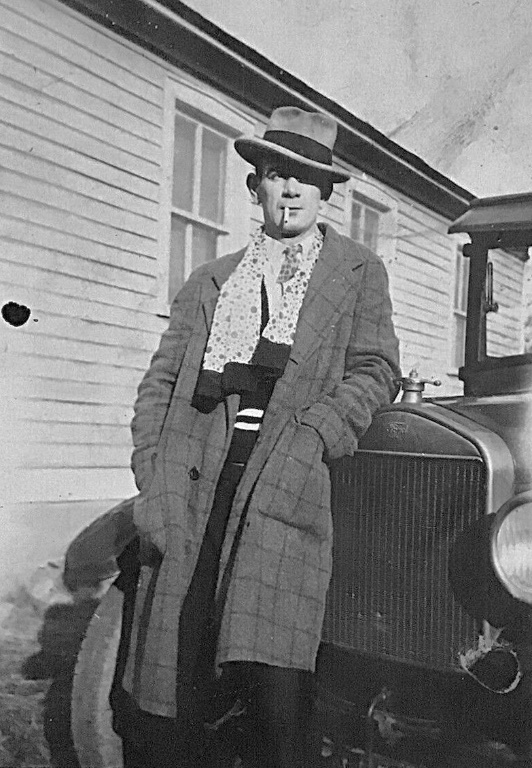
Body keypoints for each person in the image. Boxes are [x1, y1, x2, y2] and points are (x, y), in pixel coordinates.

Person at [110, 106, 401, 768]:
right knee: (177, 674)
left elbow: (375, 369)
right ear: (256, 186)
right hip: (194, 485)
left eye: (306, 178)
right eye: (276, 175)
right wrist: (152, 472)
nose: (290, 190)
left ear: (325, 193)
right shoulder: (211, 281)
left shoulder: (358, 272)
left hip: (283, 482)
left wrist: (316, 433)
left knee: (273, 688)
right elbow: (159, 385)